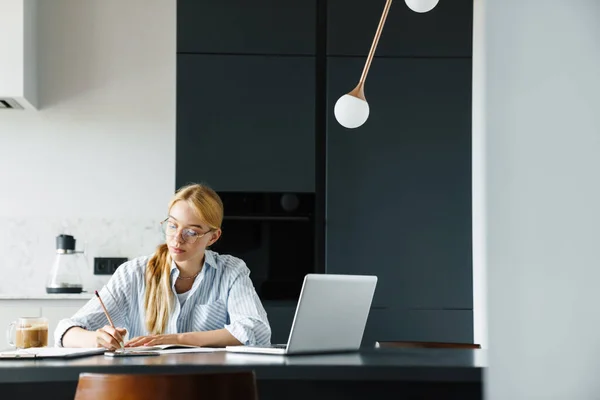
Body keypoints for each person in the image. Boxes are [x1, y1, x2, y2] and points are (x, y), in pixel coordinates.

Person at [55, 183, 271, 350]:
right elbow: (65, 331)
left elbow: (256, 330)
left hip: (207, 386)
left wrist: (177, 340)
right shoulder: (134, 274)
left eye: (192, 232)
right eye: (172, 225)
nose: (177, 239)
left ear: (213, 237)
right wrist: (97, 338)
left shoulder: (231, 271)